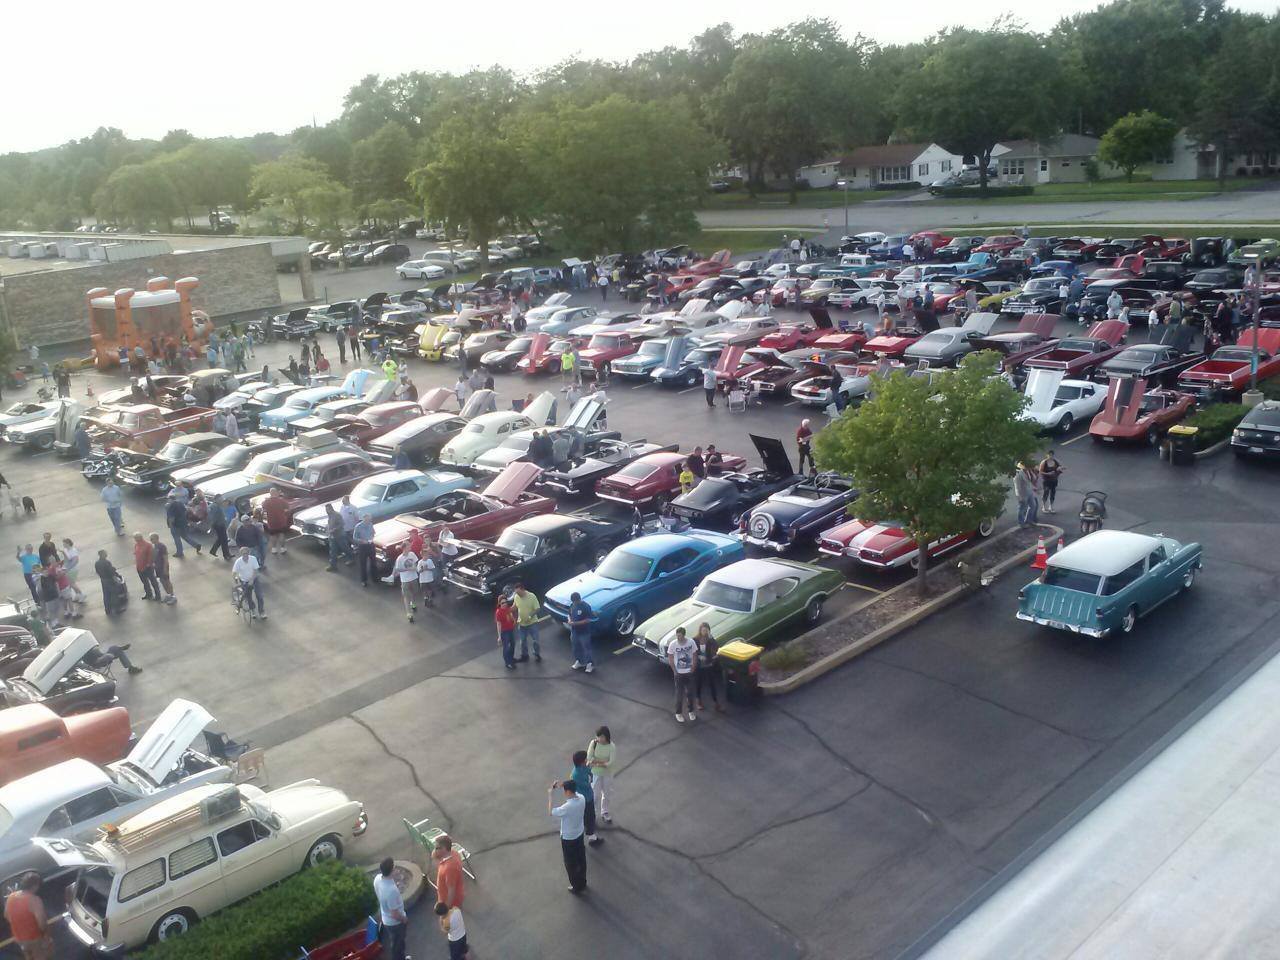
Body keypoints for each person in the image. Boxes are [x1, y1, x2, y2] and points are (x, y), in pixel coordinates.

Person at [549, 778, 588, 894]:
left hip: (568, 838)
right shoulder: (582, 798)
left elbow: (551, 811)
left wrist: (550, 794)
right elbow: (572, 788)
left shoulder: (567, 807)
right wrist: (562, 785)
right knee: (581, 859)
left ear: (568, 792)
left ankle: (576, 886)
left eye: (564, 791)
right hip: (579, 833)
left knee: (570, 863)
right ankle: (583, 881)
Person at [4, 872, 52, 960]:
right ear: (34, 886)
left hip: (19, 938)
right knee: (42, 956)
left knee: (28, 956)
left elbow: (7, 915)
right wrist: (46, 937)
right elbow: (42, 923)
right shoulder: (35, 900)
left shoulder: (11, 896)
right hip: (34, 938)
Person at [373, 857, 407, 960]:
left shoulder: (378, 878)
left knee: (395, 942)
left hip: (385, 917)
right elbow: (394, 914)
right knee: (398, 945)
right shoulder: (391, 891)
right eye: (394, 867)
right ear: (391, 871)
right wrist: (404, 919)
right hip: (395, 923)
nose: (396, 868)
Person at [668, 625, 698, 723]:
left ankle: (691, 711)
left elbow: (694, 654)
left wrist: (693, 667)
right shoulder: (673, 644)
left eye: (680, 636)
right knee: (679, 694)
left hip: (689, 672)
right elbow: (670, 658)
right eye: (677, 636)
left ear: (684, 635)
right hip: (679, 674)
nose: (678, 638)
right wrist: (674, 671)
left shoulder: (691, 642)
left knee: (690, 693)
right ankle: (678, 713)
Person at [586, 726, 615, 824]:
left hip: (607, 774)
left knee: (607, 794)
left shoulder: (612, 746)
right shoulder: (593, 743)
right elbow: (589, 758)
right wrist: (603, 762)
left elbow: (610, 763)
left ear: (607, 736)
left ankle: (605, 812)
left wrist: (596, 762)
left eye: (602, 737)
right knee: (595, 795)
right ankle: (592, 813)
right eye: (598, 737)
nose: (599, 739)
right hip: (595, 774)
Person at [694, 622, 722, 712]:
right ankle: (698, 701)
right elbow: (692, 652)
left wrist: (711, 637)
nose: (705, 632)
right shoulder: (695, 640)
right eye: (703, 630)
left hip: (708, 664)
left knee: (712, 684)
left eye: (707, 630)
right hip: (699, 666)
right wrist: (698, 656)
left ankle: (716, 703)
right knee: (699, 683)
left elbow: (717, 648)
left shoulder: (710, 640)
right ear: (700, 630)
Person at [165, 491, 202, 558]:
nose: (167, 500)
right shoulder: (180, 503)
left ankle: (180, 552)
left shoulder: (170, 506)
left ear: (171, 499)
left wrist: (171, 526)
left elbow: (171, 518)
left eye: (168, 499)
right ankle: (196, 545)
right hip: (183, 523)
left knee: (177, 538)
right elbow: (186, 511)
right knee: (185, 536)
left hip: (175, 525)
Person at [433, 835, 466, 909]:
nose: (434, 850)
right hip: (445, 896)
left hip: (451, 902)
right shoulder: (453, 853)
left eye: (437, 848)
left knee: (448, 919)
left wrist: (446, 908)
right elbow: (434, 855)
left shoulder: (450, 868)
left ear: (444, 849)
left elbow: (451, 891)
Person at [232, 546, 266, 620]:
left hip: (254, 580)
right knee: (248, 597)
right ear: (241, 554)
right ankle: (253, 610)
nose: (245, 555)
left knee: (259, 596)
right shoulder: (238, 561)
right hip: (244, 580)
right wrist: (235, 578)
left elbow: (256, 571)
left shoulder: (253, 559)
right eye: (243, 554)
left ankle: (261, 612)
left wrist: (251, 580)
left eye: (246, 553)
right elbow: (234, 572)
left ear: (249, 553)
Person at [512, 582, 541, 662]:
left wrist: (530, 616)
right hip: (522, 623)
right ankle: (524, 655)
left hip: (532, 623)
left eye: (518, 592)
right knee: (522, 641)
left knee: (536, 641)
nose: (517, 594)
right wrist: (507, 610)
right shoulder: (516, 596)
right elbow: (514, 607)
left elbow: (537, 608)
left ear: (523, 589)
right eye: (516, 592)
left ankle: (536, 654)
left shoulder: (532, 596)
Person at [567, 591, 595, 673]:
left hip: (584, 632)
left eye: (575, 601)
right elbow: (569, 614)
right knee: (575, 647)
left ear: (579, 599)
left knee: (586, 648)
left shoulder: (585, 607)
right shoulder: (572, 605)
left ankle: (590, 664)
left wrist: (575, 623)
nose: (574, 603)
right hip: (574, 631)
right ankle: (579, 661)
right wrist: (569, 620)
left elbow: (587, 620)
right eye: (573, 602)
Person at [148, 533, 177, 604]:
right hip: (157, 568)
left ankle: (173, 597)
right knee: (162, 581)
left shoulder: (162, 547)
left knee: (167, 581)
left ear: (156, 538)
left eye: (152, 539)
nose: (151, 540)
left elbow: (165, 559)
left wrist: (165, 569)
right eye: (150, 539)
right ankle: (168, 595)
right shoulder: (154, 547)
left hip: (163, 567)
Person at [262, 487, 290, 556]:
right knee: (281, 534)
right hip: (281, 521)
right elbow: (287, 508)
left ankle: (274, 549)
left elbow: (263, 508)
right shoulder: (281, 500)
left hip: (271, 522)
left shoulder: (267, 501)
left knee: (273, 535)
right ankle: (282, 548)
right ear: (276, 493)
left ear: (270, 493)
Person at [134, 532, 161, 601]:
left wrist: (148, 564)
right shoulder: (136, 545)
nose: (135, 539)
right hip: (139, 567)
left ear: (140, 537)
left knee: (153, 581)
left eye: (136, 538)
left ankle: (158, 595)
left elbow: (150, 556)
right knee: (145, 582)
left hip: (147, 567)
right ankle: (148, 594)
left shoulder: (148, 545)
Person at [394, 547, 419, 621]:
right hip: (405, 579)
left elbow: (416, 562)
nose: (410, 547)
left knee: (414, 592)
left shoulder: (412, 554)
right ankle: (409, 613)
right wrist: (408, 569)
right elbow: (398, 569)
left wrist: (415, 566)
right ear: (404, 548)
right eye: (408, 546)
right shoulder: (400, 558)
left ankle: (413, 603)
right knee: (406, 596)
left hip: (414, 577)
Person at [95, 549, 123, 615]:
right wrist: (117, 578)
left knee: (106, 595)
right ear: (102, 555)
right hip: (109, 579)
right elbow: (111, 572)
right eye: (105, 553)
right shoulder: (107, 562)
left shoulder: (97, 563)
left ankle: (107, 610)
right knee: (114, 594)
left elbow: (97, 572)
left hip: (103, 580)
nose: (106, 554)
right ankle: (117, 609)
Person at [353, 513, 376, 586]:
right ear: (363, 519)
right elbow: (354, 537)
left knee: (373, 562)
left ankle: (375, 578)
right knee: (363, 564)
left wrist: (371, 538)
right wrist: (362, 541)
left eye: (369, 519)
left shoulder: (370, 524)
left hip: (370, 545)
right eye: (367, 519)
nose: (368, 521)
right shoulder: (358, 526)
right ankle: (364, 580)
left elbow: (373, 533)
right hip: (362, 547)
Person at [1015, 462, 1041, 527]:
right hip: (1023, 494)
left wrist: (1035, 488)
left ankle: (1029, 520)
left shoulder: (1029, 472)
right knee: (1022, 508)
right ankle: (1021, 523)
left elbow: (1030, 482)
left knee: (1033, 506)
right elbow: (1017, 486)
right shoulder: (1018, 474)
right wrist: (1019, 496)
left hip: (1030, 492)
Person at [495, 594, 517, 669]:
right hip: (505, 632)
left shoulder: (507, 608)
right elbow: (498, 624)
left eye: (505, 602)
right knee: (506, 647)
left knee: (513, 644)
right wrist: (499, 636)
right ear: (499, 604)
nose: (504, 604)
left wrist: (513, 620)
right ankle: (508, 662)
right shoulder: (498, 612)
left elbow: (510, 613)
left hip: (511, 629)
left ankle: (511, 658)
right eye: (502, 603)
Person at [209, 496, 232, 560]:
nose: (222, 500)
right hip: (219, 525)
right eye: (220, 499)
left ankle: (213, 550)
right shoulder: (214, 506)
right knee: (224, 540)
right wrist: (213, 526)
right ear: (216, 499)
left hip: (220, 524)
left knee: (221, 539)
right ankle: (226, 555)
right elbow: (213, 517)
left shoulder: (217, 505)